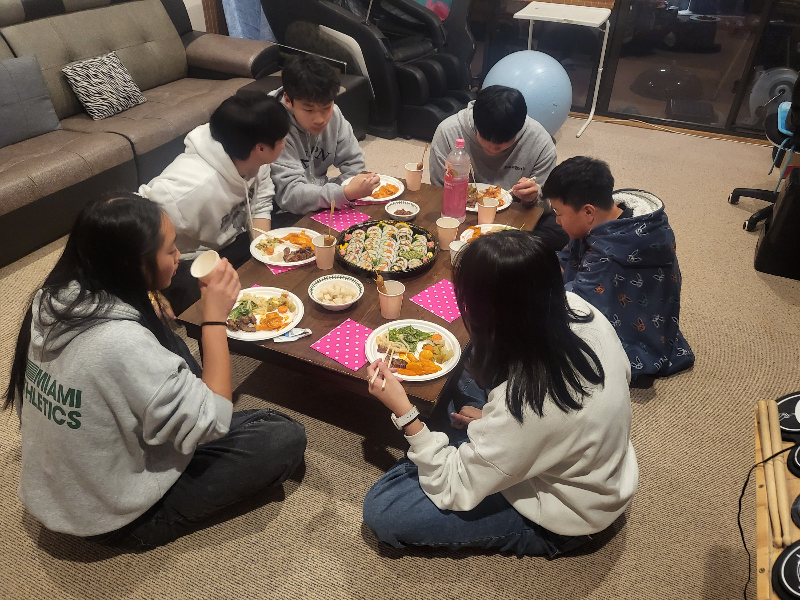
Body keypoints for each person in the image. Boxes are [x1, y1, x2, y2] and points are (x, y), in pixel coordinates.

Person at [4, 193, 306, 549]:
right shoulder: (121, 343)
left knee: (168, 335)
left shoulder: (51, 298)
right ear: (131, 263)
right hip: (113, 515)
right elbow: (216, 420)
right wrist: (214, 320)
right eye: (171, 249)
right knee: (282, 436)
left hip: (63, 486)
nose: (180, 256)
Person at [362, 231, 638, 555]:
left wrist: (406, 414)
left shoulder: (528, 404)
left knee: (385, 508)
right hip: (574, 453)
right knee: (463, 368)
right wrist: (493, 423)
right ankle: (469, 445)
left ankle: (462, 451)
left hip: (569, 511)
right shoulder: (581, 309)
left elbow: (452, 486)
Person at [138, 90, 290, 315]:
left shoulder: (255, 158)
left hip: (228, 242)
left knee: (291, 237)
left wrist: (265, 251)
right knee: (209, 308)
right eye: (282, 139)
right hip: (185, 261)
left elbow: (261, 202)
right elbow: (125, 230)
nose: (285, 144)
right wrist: (149, 292)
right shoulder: (185, 191)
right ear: (261, 148)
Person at [543, 156, 694, 378]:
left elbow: (574, 304)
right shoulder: (621, 216)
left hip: (635, 330)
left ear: (588, 212)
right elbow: (567, 257)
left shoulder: (609, 260)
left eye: (558, 213)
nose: (557, 220)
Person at [429, 85, 567, 252]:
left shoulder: (540, 142)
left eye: (503, 143)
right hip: (460, 215)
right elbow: (438, 189)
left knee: (563, 230)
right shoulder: (448, 132)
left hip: (516, 215)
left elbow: (549, 204)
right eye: (485, 138)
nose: (493, 148)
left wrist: (533, 197)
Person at [269, 54, 379, 216]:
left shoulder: (334, 114)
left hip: (319, 197)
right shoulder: (273, 124)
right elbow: (289, 195)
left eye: (326, 107)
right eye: (309, 110)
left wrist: (344, 192)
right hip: (281, 210)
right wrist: (343, 193)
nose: (320, 119)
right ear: (288, 100)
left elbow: (354, 163)